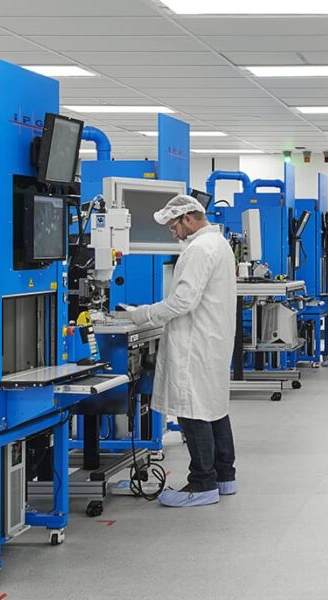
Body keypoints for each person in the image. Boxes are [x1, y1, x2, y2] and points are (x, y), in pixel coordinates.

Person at [122, 195, 238, 508]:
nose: (173, 232)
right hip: (212, 339)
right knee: (213, 407)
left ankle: (201, 483)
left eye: (174, 226)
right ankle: (224, 475)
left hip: (195, 342)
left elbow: (182, 302)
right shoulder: (219, 243)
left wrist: (142, 314)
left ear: (188, 218)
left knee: (192, 409)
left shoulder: (199, 249)